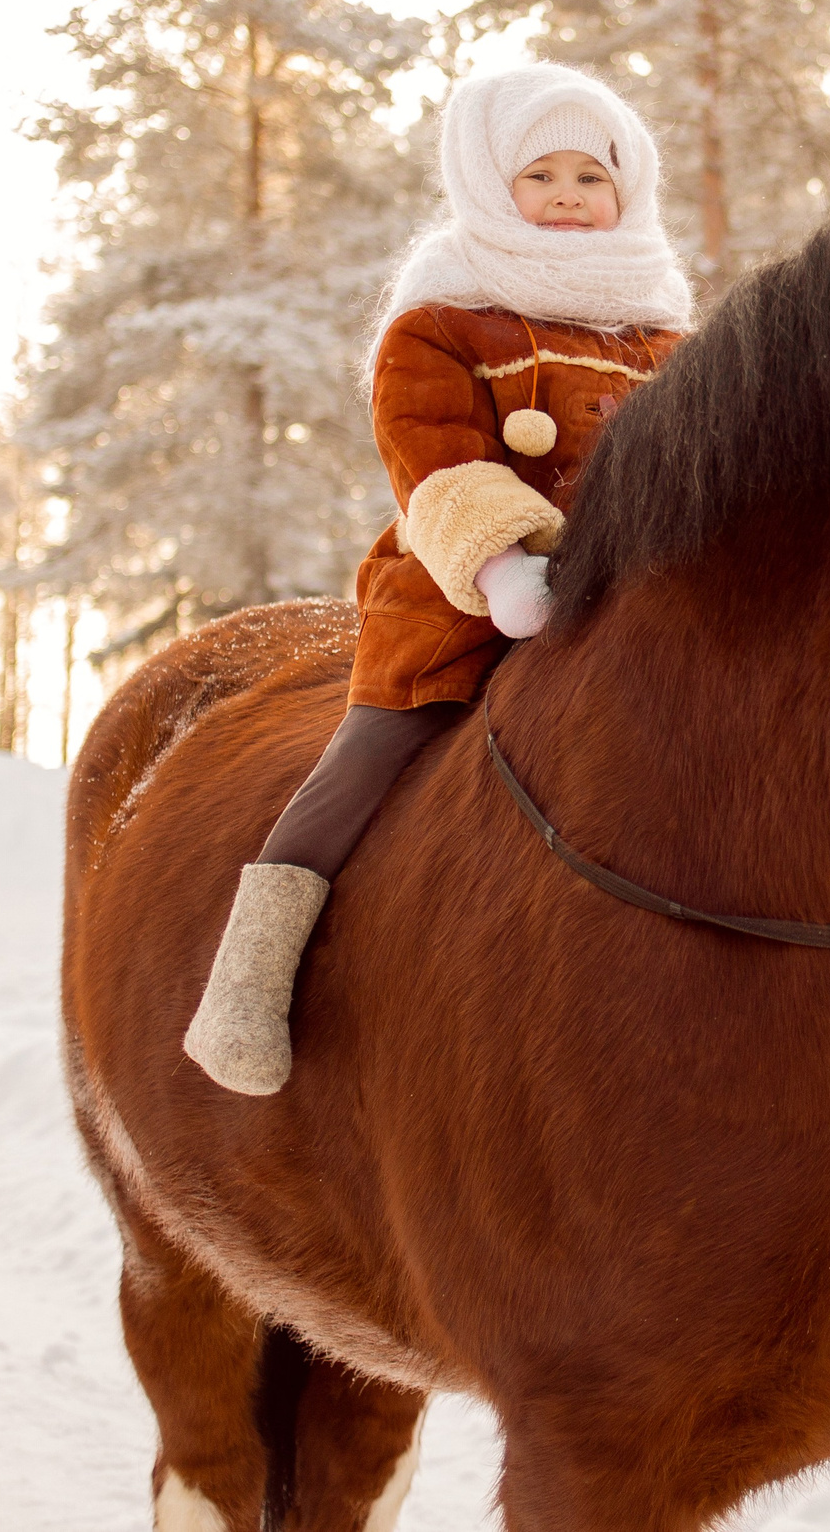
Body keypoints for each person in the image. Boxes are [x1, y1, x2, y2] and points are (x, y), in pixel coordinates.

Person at [182, 63, 693, 1096]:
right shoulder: (443, 319)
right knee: (371, 756)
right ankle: (249, 977)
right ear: (488, 182)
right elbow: (433, 454)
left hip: (633, 598)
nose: (564, 196)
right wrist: (503, 568)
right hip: (464, 589)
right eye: (537, 174)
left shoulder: (661, 332)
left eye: (589, 177)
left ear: (626, 190)